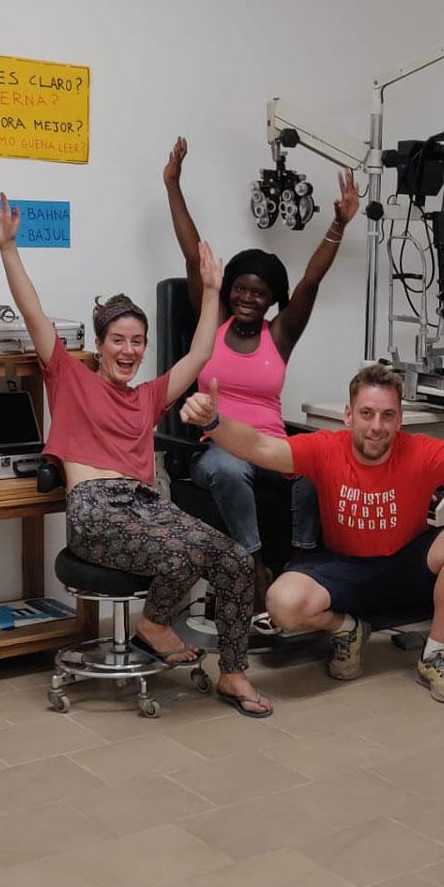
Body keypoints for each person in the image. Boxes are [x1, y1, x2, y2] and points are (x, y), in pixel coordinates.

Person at [0, 191, 273, 719]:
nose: (129, 351)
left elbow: (201, 352)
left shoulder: (149, 396)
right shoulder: (68, 378)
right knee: (183, 555)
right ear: (101, 342)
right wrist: (8, 249)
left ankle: (233, 672)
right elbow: (33, 312)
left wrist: (210, 290)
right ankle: (154, 625)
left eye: (138, 341)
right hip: (96, 507)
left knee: (232, 557)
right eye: (118, 340)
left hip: (146, 506)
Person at [181, 364, 444, 703]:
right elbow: (260, 447)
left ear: (400, 419)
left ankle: (434, 656)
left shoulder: (420, 451)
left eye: (387, 415)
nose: (376, 426)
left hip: (405, 565)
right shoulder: (326, 447)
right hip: (342, 568)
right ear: (349, 416)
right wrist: (215, 422)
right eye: (366, 414)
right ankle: (347, 629)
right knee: (282, 603)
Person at [161, 135, 359, 576]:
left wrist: (338, 226)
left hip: (271, 445)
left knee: (314, 464)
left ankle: (302, 561)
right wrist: (173, 185)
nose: (248, 298)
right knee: (229, 471)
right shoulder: (211, 323)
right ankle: (252, 565)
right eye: (241, 289)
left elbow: (310, 282)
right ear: (229, 290)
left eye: (260, 292)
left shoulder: (281, 333)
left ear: (272, 299)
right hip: (220, 445)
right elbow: (196, 259)